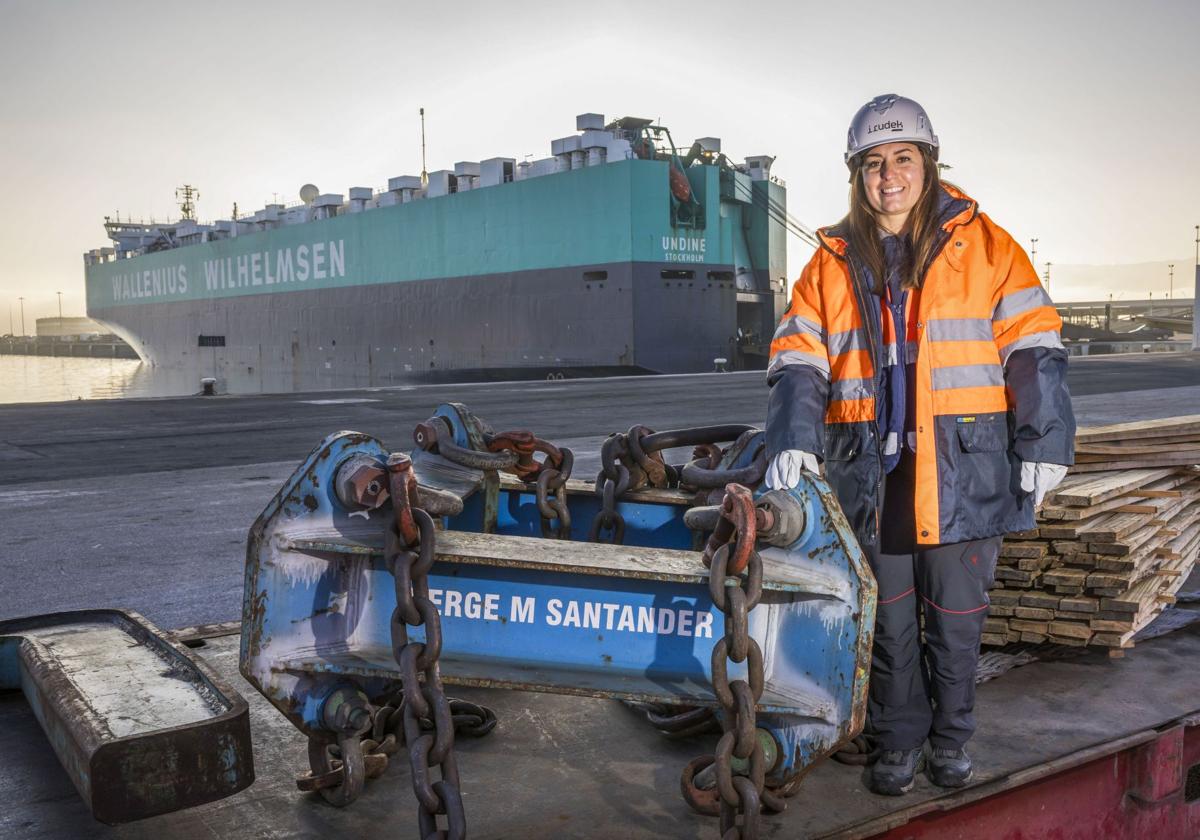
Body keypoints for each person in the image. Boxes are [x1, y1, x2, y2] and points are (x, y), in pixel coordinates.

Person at [763, 93, 1075, 796]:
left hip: (962, 468)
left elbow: (1032, 347)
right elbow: (798, 357)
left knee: (957, 625)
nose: (889, 175)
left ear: (929, 163)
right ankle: (898, 743)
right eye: (873, 163)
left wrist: (1044, 437)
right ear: (857, 175)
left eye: (903, 157)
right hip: (873, 476)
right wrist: (793, 433)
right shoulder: (831, 264)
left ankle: (952, 741)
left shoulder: (987, 247)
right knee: (890, 629)